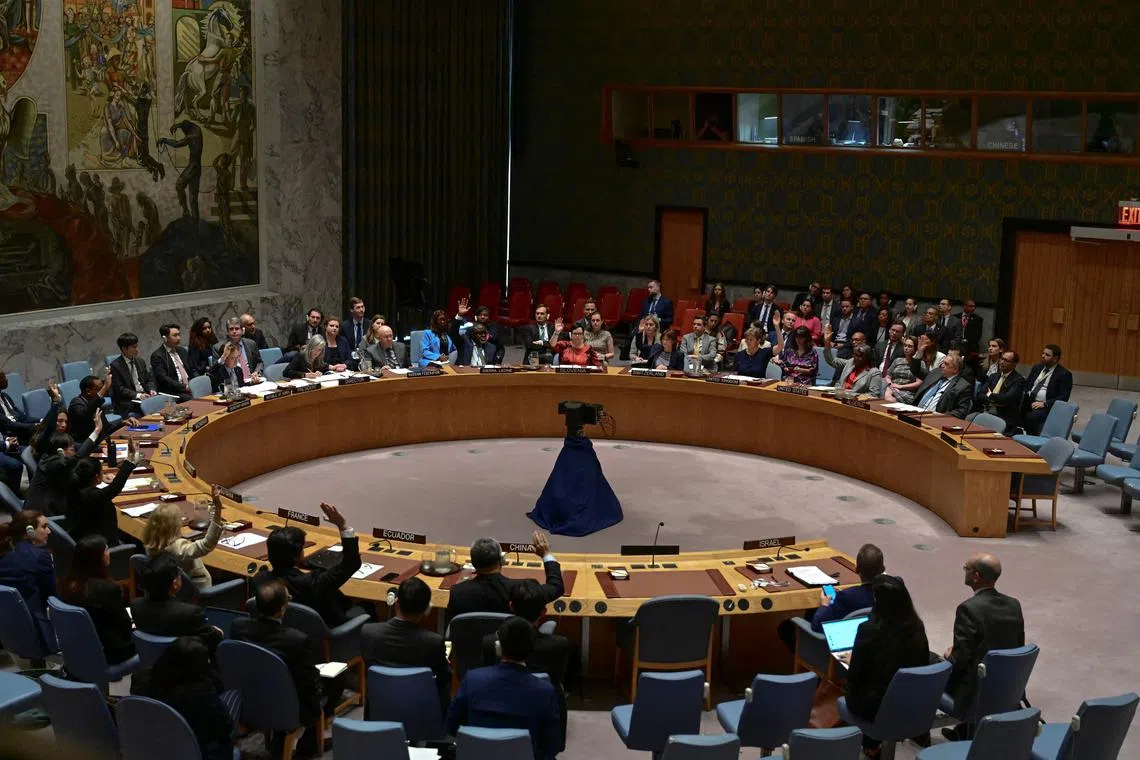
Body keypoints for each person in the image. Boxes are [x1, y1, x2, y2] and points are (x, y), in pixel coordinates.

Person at [231, 580, 329, 759]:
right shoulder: (296, 640)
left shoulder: (238, 626)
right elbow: (308, 684)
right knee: (332, 682)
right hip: (286, 705)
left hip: (250, 697)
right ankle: (309, 745)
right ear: (283, 608)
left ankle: (280, 740)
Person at [445, 617, 564, 760]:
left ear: (498, 647)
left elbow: (452, 726)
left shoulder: (473, 679)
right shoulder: (545, 691)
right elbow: (552, 746)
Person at [845, 575, 931, 756]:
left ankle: (870, 745)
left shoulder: (868, 630)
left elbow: (855, 675)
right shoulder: (917, 626)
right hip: (911, 702)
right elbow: (922, 663)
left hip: (875, 707)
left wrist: (850, 659)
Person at [943, 553, 1025, 741]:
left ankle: (920, 733)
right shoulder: (1014, 605)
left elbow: (960, 660)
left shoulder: (968, 608)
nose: (964, 571)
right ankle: (965, 729)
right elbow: (1016, 646)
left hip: (974, 692)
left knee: (929, 669)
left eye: (967, 568)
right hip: (1007, 685)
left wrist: (950, 654)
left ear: (976, 576)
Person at [481, 580, 572, 734]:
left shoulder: (490, 642)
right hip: (543, 725)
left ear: (511, 606)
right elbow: (557, 679)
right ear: (544, 612)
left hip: (498, 719)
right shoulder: (559, 644)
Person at [255, 502, 366, 627]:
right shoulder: (313, 582)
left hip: (293, 628)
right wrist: (342, 526)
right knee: (367, 606)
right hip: (329, 628)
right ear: (296, 557)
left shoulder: (260, 578)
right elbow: (351, 563)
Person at [360, 577, 450, 713]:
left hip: (380, 705)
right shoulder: (433, 642)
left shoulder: (368, 632)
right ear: (426, 610)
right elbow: (444, 677)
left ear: (396, 603)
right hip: (419, 706)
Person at [142, 637, 238, 760]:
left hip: (160, 745)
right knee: (234, 695)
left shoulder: (142, 678)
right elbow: (225, 726)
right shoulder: (203, 694)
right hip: (202, 752)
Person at [776, 544, 884, 651]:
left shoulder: (846, 596)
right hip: (871, 647)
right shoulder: (890, 595)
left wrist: (824, 604)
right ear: (883, 569)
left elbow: (817, 626)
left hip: (834, 650)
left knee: (786, 627)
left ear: (856, 569)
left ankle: (809, 659)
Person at [446, 531, 563, 622]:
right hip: (510, 650)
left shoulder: (457, 592)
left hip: (469, 651)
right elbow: (556, 587)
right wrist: (546, 555)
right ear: (502, 561)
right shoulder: (522, 590)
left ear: (474, 563)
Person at [58, 534, 135, 665]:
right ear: (96, 558)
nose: (109, 552)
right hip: (111, 651)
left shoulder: (67, 584)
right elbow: (125, 628)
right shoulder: (108, 589)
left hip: (80, 646)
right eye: (106, 550)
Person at [26, 398, 104, 517]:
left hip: (53, 499)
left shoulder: (56, 450)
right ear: (61, 450)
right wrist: (97, 430)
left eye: (65, 422)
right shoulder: (51, 458)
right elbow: (75, 461)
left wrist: (96, 477)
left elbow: (76, 455)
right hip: (47, 514)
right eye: (59, 421)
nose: (63, 425)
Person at [131, 553, 223, 652]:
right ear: (175, 584)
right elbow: (212, 640)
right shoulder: (190, 613)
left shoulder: (136, 605)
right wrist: (217, 632)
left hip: (151, 661)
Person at [143, 487, 224, 590]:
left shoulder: (151, 542)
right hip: (194, 591)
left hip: (165, 588)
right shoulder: (177, 548)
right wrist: (218, 509)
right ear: (173, 526)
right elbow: (207, 544)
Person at [0, 511, 56, 654]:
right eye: (44, 527)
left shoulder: (5, 555)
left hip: (8, 629)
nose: (49, 531)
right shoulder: (40, 556)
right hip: (38, 630)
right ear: (29, 532)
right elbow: (52, 595)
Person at [68, 452, 139, 546]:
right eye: (102, 472)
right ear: (97, 477)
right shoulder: (93, 496)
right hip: (101, 546)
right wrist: (130, 462)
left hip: (82, 537)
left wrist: (101, 479)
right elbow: (115, 488)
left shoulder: (73, 488)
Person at [1022, 344, 1073, 436]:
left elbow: (1064, 397)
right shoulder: (1037, 367)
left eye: (1047, 355)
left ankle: (1031, 439)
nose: (1043, 356)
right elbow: (1027, 384)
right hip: (1028, 400)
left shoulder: (1064, 374)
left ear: (1055, 358)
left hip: (1046, 406)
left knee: (1030, 416)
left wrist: (1044, 404)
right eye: (1043, 353)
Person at [109, 332, 157, 415]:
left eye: (136, 346)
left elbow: (149, 379)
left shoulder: (140, 361)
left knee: (163, 402)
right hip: (129, 400)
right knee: (151, 407)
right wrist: (138, 395)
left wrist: (151, 390)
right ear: (124, 349)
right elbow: (120, 389)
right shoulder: (115, 366)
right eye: (133, 347)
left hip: (145, 395)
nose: (137, 349)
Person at [979, 351, 1025, 434]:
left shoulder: (1018, 380)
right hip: (987, 412)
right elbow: (980, 394)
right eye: (1002, 359)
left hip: (1004, 417)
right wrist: (994, 401)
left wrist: (989, 394)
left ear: (1014, 364)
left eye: (1006, 361)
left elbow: (1006, 398)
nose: (1002, 362)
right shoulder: (993, 376)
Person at [150, 323, 193, 401]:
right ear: (165, 338)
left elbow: (191, 369)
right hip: (174, 391)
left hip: (189, 387)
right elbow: (163, 378)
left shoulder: (182, 351)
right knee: (193, 399)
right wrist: (184, 387)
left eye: (179, 335)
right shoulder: (157, 356)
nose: (179, 338)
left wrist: (194, 383)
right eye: (175, 335)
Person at [213, 318, 263, 382]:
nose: (234, 331)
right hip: (232, 383)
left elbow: (259, 362)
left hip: (253, 380)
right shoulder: (218, 347)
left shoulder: (251, 344)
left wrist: (257, 372)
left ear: (242, 330)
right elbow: (215, 371)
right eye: (231, 329)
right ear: (227, 332)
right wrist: (224, 356)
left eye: (237, 328)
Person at [68, 371, 112, 441]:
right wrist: (105, 387)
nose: (103, 392)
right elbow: (86, 414)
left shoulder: (96, 403)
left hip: (100, 441)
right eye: (100, 389)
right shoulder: (76, 404)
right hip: (86, 445)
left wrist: (122, 423)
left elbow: (107, 427)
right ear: (88, 391)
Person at [883, 336, 923, 404]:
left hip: (907, 392)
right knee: (886, 394)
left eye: (909, 346)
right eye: (905, 345)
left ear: (915, 348)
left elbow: (919, 383)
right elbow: (888, 376)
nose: (906, 348)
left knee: (888, 398)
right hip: (892, 387)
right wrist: (891, 384)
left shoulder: (920, 363)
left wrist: (900, 387)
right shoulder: (897, 360)